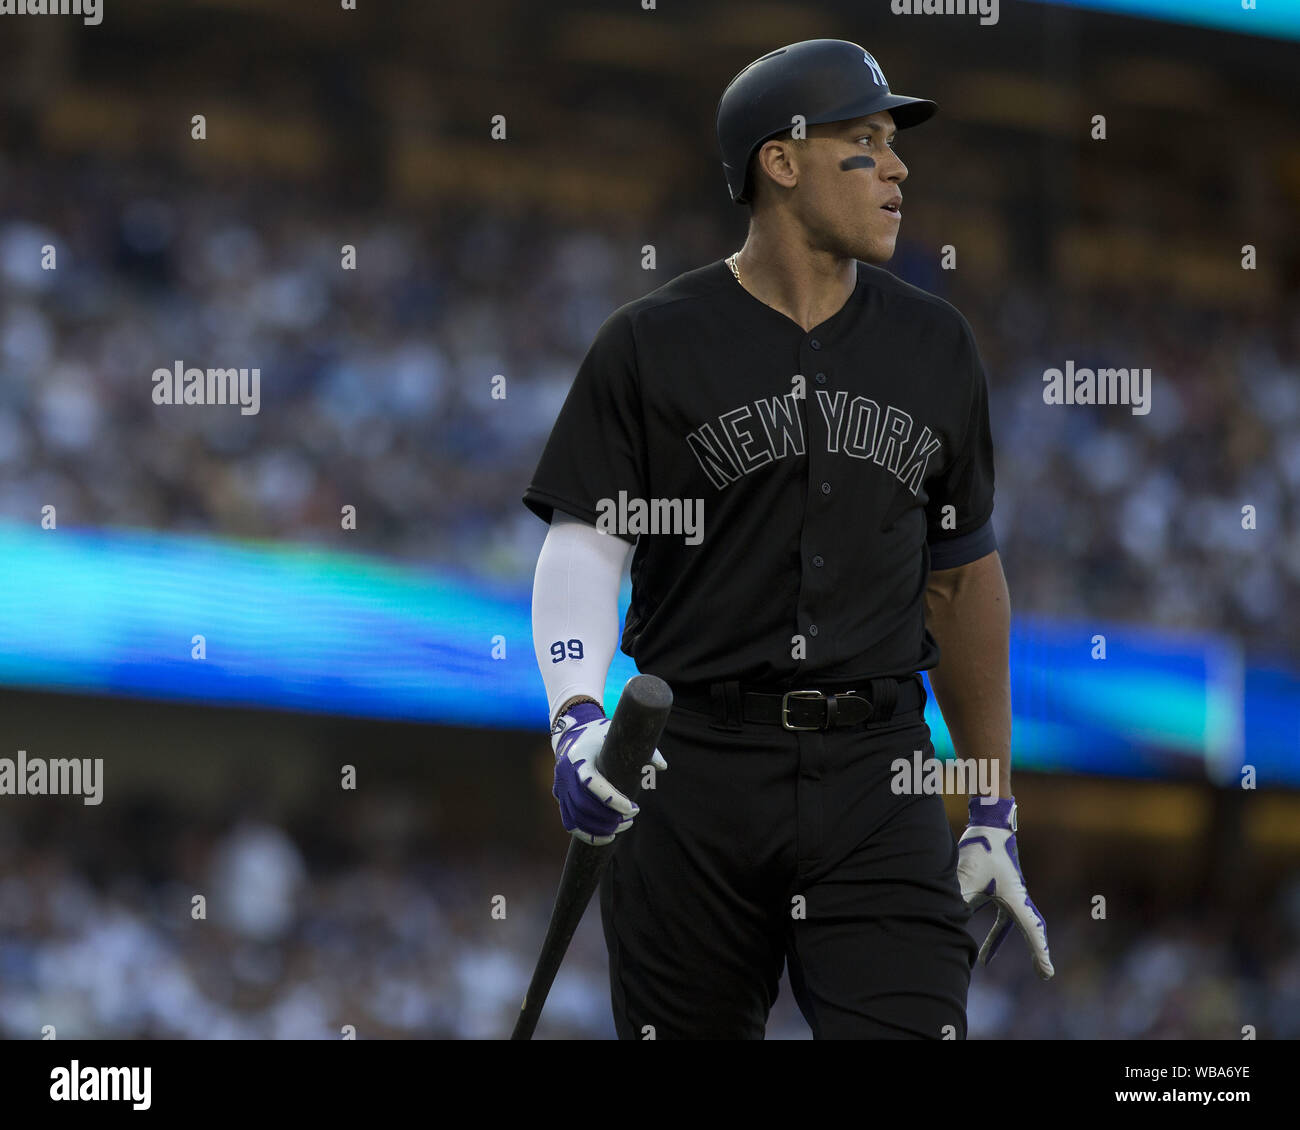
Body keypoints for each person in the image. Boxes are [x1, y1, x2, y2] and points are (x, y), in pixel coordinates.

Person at [524, 39, 1052, 1040]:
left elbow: (963, 578)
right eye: (865, 141)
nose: (897, 169)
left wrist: (990, 804)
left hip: (878, 770)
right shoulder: (650, 341)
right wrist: (573, 718)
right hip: (691, 771)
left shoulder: (934, 345)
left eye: (894, 145)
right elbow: (587, 543)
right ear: (781, 159)